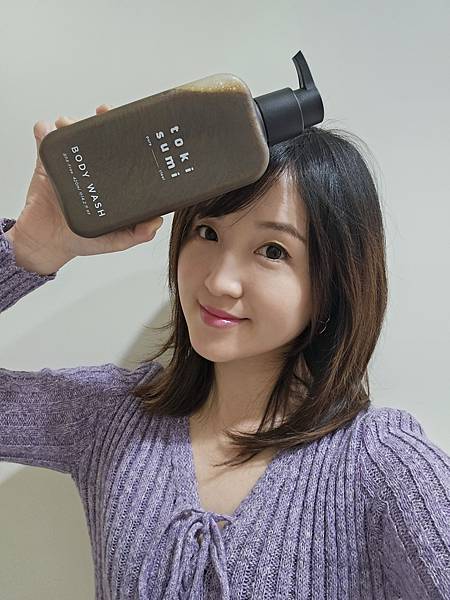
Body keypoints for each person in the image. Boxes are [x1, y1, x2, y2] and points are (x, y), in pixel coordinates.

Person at [1, 106, 449, 600]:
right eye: (208, 233)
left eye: (273, 250)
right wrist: (29, 248)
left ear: (333, 282)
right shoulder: (111, 417)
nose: (219, 281)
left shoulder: (379, 464)